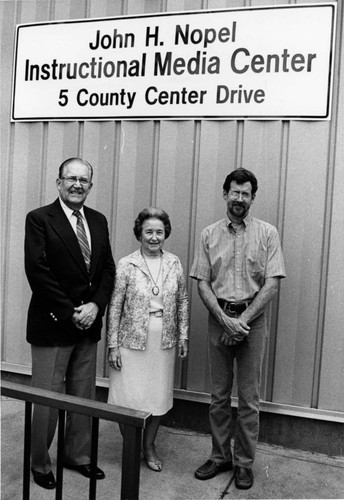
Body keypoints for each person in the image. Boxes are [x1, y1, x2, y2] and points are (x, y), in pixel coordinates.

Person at [190, 168, 286, 490]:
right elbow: (202, 282)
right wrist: (223, 318)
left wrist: (242, 321)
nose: (240, 199)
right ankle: (220, 457)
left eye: (246, 194)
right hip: (219, 318)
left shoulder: (267, 234)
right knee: (218, 396)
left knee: (249, 398)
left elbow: (272, 284)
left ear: (253, 198)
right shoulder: (208, 234)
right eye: (235, 192)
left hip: (253, 323)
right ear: (225, 194)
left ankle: (243, 463)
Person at [24, 157, 116, 490]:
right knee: (47, 397)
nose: (77, 185)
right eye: (71, 178)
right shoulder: (39, 219)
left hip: (88, 325)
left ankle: (77, 456)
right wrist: (71, 311)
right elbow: (38, 271)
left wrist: (95, 306)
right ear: (59, 182)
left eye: (84, 180)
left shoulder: (98, 220)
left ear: (91, 185)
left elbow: (108, 269)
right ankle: (39, 462)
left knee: (83, 395)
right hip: (53, 323)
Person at [107, 207, 189, 472]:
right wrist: (112, 344)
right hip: (130, 343)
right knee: (127, 396)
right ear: (139, 233)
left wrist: (184, 336)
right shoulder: (127, 263)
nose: (154, 237)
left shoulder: (174, 262)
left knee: (157, 397)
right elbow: (115, 305)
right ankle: (130, 446)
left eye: (159, 232)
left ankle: (148, 446)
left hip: (163, 342)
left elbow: (183, 301)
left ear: (166, 234)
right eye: (149, 231)